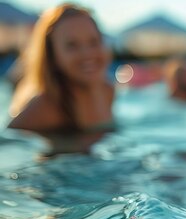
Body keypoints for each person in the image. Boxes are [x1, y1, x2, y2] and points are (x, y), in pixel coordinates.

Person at [7, 3, 114, 133]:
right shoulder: (45, 107)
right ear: (52, 55)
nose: (87, 54)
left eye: (94, 42)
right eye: (72, 45)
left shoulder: (107, 90)